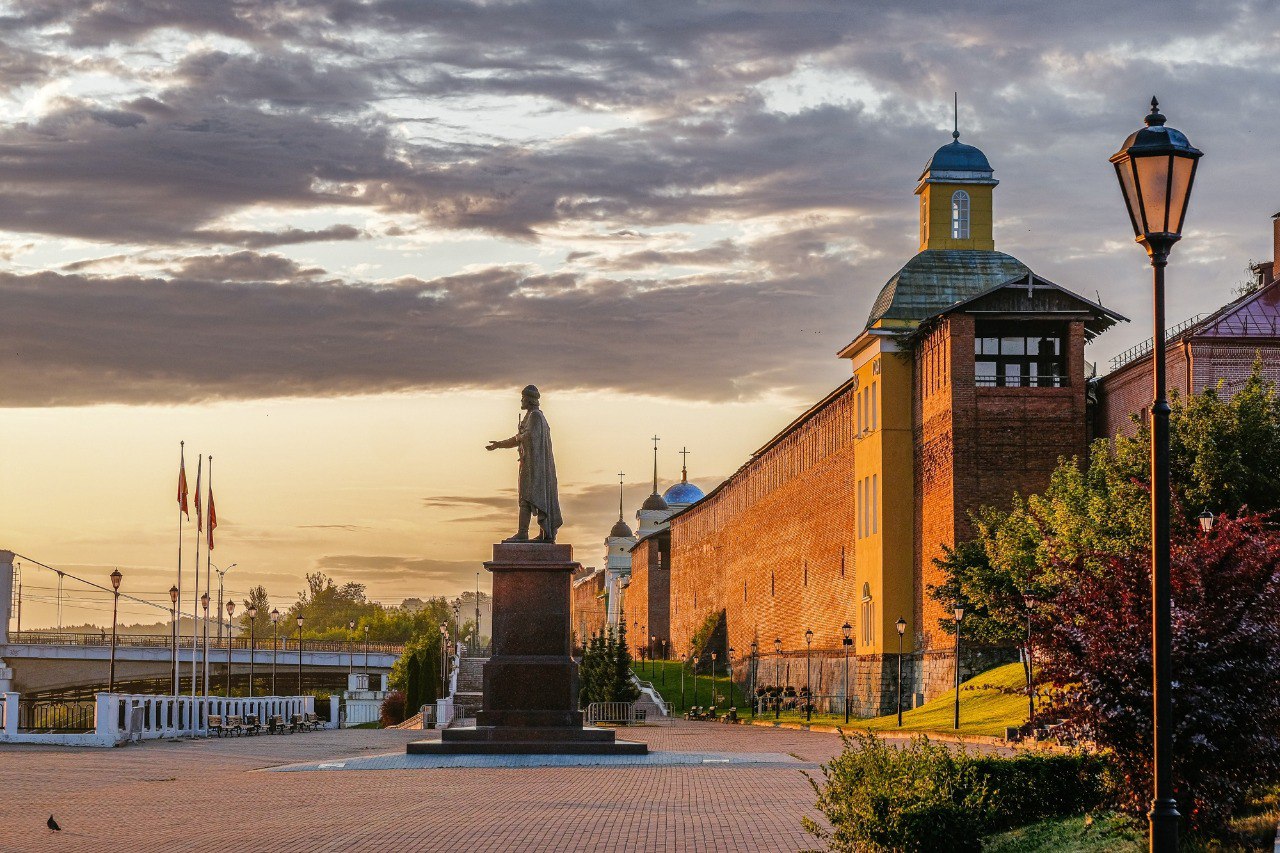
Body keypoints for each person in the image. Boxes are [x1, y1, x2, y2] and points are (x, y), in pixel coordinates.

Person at [486, 385, 563, 542]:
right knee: (526, 498)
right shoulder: (531, 416)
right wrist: (499, 444)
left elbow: (528, 437)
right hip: (529, 465)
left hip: (535, 467)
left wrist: (520, 436)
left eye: (523, 398)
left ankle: (524, 533)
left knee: (526, 499)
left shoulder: (535, 417)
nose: (521, 400)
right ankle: (540, 533)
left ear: (529, 399)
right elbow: (518, 438)